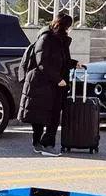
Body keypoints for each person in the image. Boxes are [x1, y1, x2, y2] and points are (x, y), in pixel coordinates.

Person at [19, 13, 74, 155]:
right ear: (61, 26)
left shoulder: (60, 39)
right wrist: (58, 79)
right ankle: (45, 145)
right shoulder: (47, 38)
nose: (70, 30)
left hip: (52, 83)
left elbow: (60, 59)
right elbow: (42, 62)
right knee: (44, 115)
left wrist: (74, 63)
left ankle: (40, 144)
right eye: (68, 27)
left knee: (50, 114)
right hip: (43, 83)